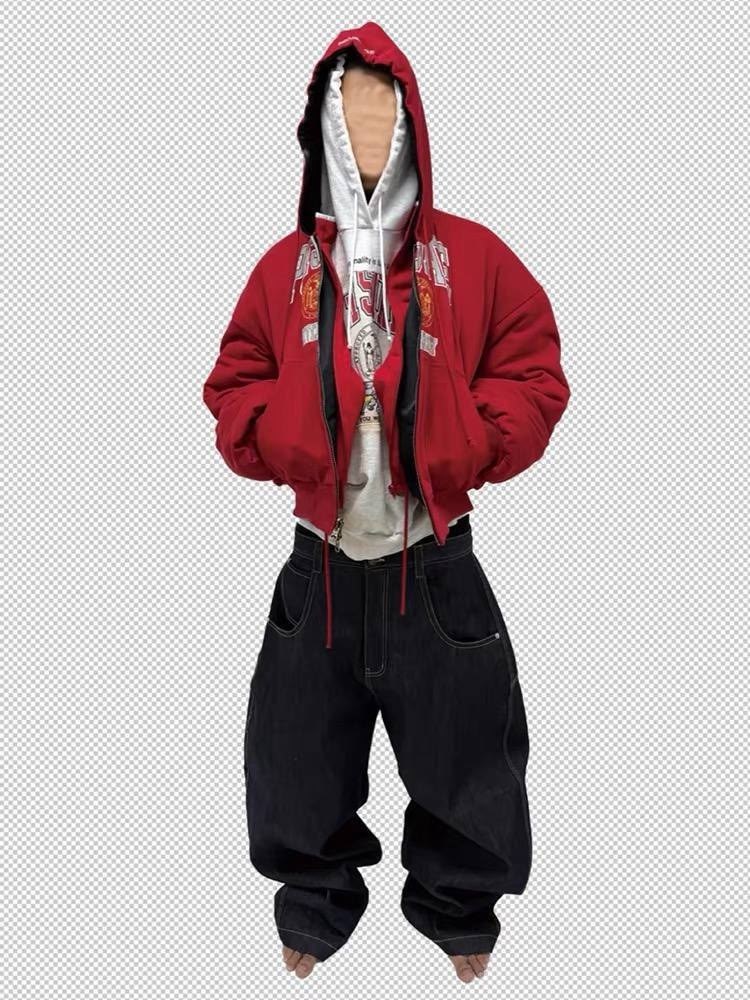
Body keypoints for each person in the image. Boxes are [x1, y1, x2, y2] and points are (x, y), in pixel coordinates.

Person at [203, 21, 570, 983]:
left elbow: (533, 368)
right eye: (348, 115)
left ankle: (460, 911)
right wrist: (281, 435)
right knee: (292, 756)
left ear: (412, 128)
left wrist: (473, 441)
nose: (366, 135)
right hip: (316, 567)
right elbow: (233, 381)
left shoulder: (474, 258)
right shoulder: (285, 269)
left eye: (382, 114)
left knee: (468, 748)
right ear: (322, 132)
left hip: (435, 563)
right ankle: (312, 907)